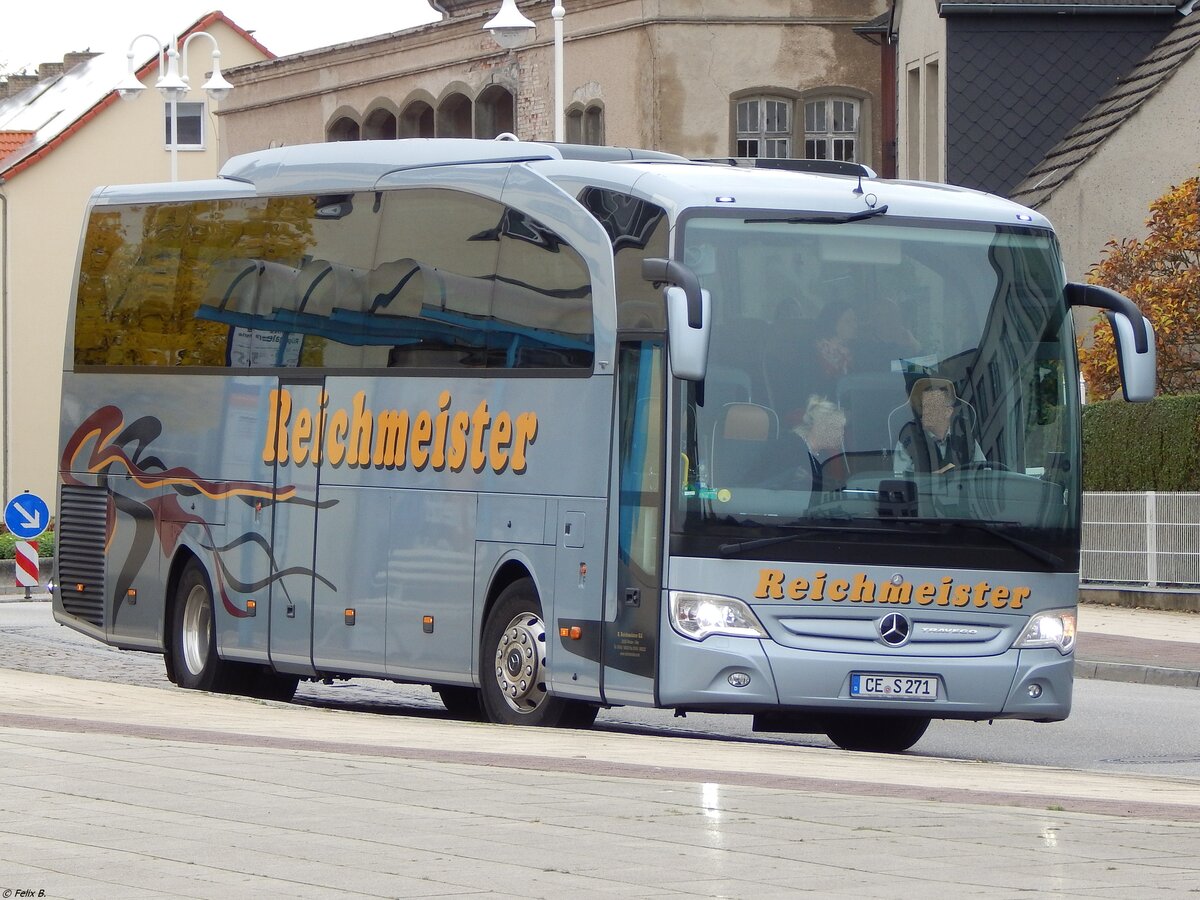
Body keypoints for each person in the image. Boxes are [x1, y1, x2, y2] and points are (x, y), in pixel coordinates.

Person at [893, 377, 986, 475]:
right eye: (924, 406)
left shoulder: (966, 440)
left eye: (932, 406)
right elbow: (900, 481)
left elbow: (985, 476)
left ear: (948, 412)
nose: (926, 411)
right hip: (923, 490)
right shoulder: (909, 440)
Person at [760, 395, 846, 491]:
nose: (841, 433)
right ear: (818, 425)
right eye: (835, 427)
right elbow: (770, 484)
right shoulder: (787, 448)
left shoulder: (823, 456)